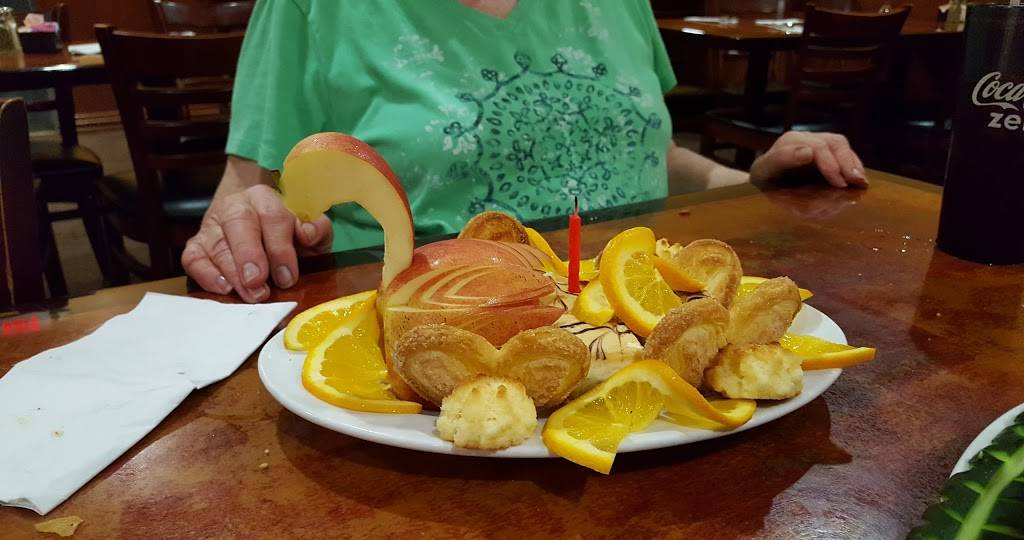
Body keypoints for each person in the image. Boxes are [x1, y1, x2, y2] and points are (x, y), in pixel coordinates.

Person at [183, 0, 867, 303]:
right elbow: (246, 190)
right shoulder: (308, 6)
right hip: (428, 338)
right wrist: (243, 226)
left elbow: (643, 154)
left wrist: (750, 180)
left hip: (643, 319)